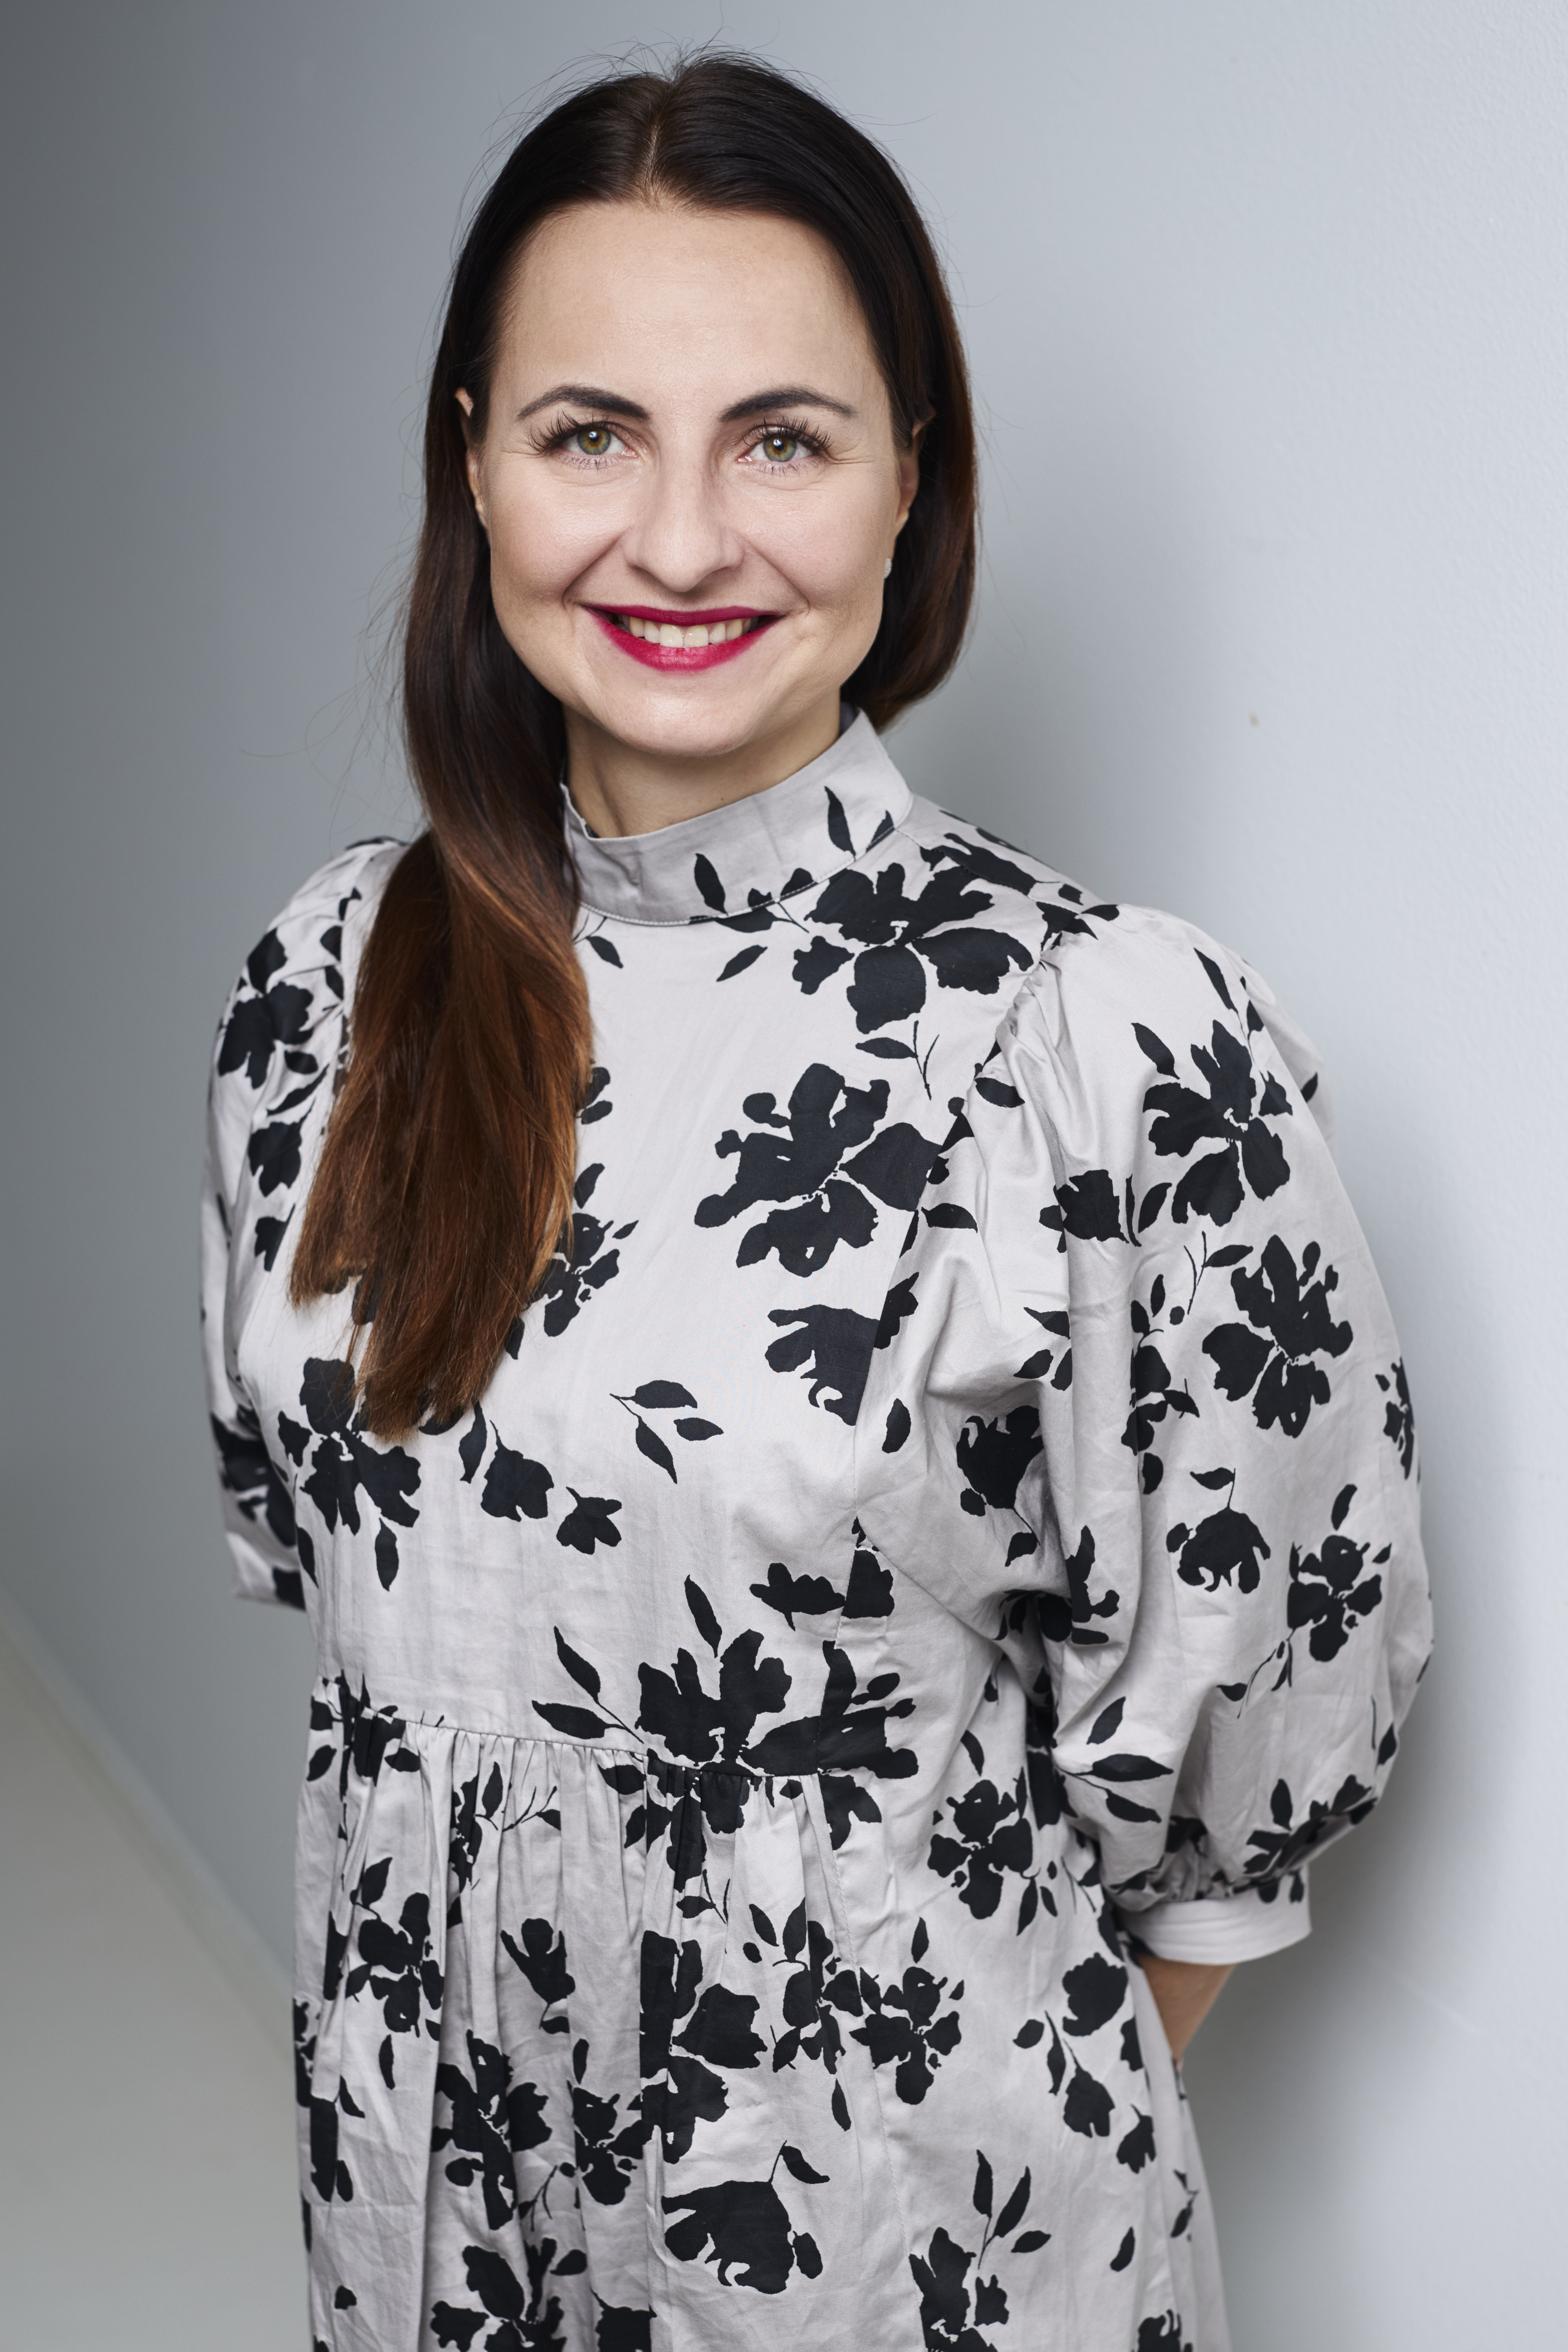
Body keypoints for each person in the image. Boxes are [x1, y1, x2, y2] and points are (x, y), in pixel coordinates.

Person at [201, 53, 1431, 2352]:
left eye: (779, 438)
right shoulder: (327, 986)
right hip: (423, 2213)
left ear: (907, 481)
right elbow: (363, 1613)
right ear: (472, 463)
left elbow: (1236, 1774)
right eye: (589, 433)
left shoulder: (1102, 1037)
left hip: (892, 2245)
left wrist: (871, 2112)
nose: (680, 543)